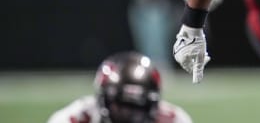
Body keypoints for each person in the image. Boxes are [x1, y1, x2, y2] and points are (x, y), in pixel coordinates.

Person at [47, 51, 192, 123]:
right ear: (103, 99)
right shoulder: (76, 118)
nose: (128, 115)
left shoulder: (174, 120)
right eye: (120, 106)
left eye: (136, 108)